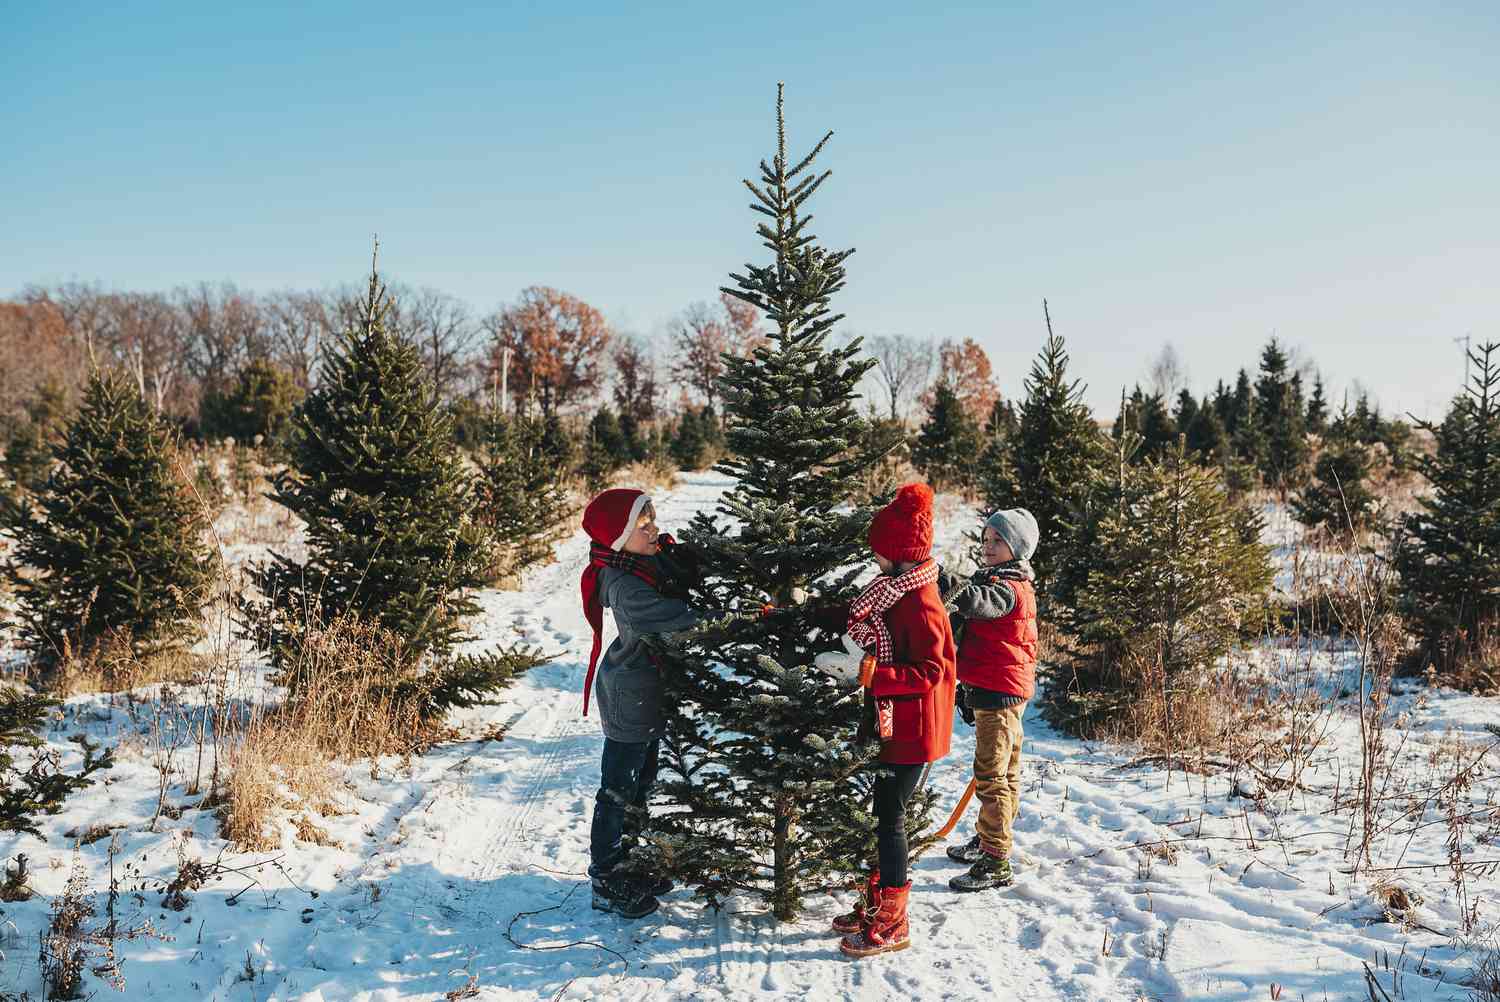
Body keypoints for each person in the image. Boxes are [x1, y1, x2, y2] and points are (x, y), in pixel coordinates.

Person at [812, 483, 957, 957]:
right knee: (881, 816)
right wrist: (803, 614)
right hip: (889, 718)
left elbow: (933, 671)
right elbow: (861, 618)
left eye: (879, 553)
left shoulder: (922, 603)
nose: (874, 560)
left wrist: (868, 672)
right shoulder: (893, 590)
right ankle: (875, 902)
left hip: (914, 728)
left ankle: (894, 919)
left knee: (890, 820)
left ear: (898, 555)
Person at [579, 488, 702, 918]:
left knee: (643, 781)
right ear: (617, 539)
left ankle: (630, 863)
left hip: (649, 690)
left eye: (652, 521)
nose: (654, 531)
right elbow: (686, 621)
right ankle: (606, 877)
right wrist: (745, 618)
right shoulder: (628, 585)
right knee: (618, 788)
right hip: (629, 693)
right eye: (642, 526)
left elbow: (682, 567)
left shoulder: (643, 562)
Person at [939, 507, 1039, 892]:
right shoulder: (1003, 581)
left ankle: (996, 858)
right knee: (1006, 772)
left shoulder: (1008, 590)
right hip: (1000, 689)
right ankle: (991, 839)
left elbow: (979, 603)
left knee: (991, 775)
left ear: (1017, 548)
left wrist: (942, 580)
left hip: (1000, 694)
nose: (988, 546)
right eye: (985, 539)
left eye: (998, 541)